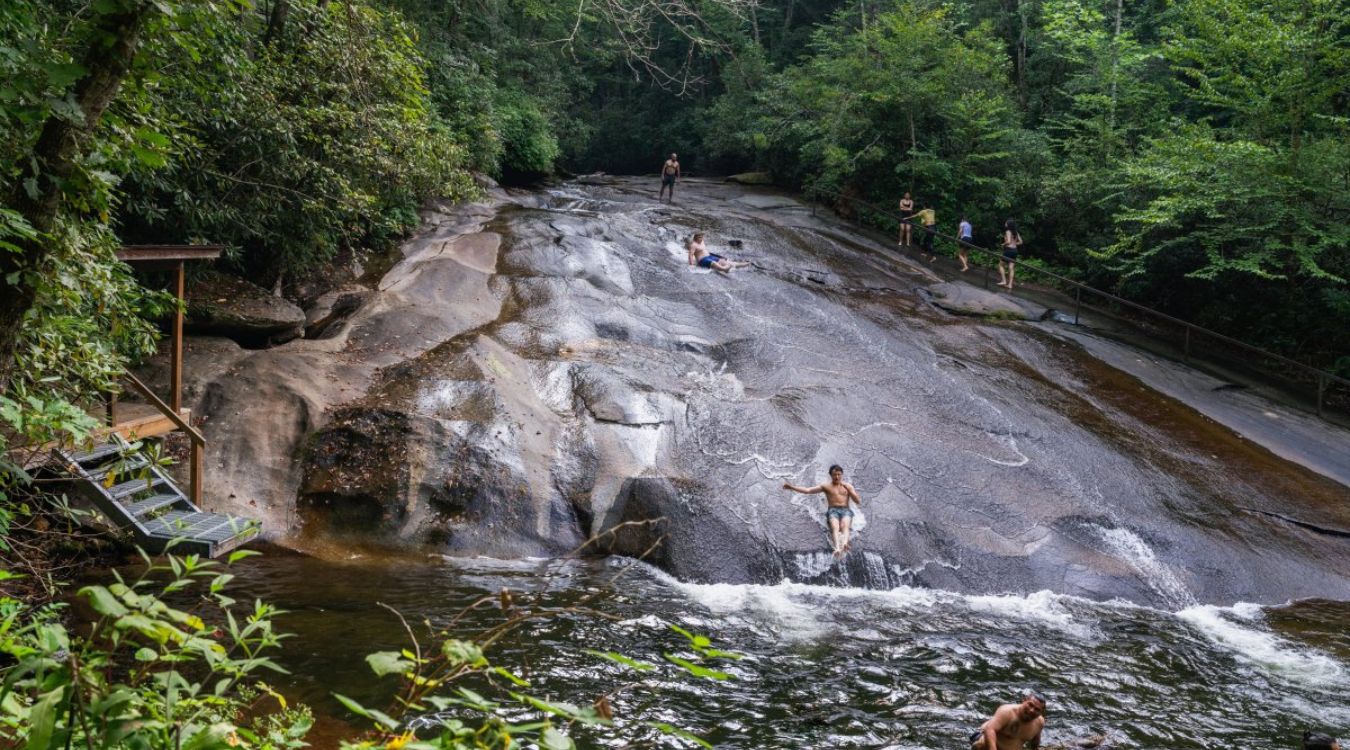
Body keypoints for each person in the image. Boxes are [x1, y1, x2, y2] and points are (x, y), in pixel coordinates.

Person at [782, 465, 862, 558]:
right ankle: (837, 548)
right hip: (833, 510)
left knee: (845, 525)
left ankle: (844, 544)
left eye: (839, 474)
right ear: (830, 475)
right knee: (835, 526)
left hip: (845, 510)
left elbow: (857, 501)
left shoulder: (848, 486)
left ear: (842, 475)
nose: (837, 477)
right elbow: (808, 490)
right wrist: (791, 487)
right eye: (834, 475)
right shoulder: (826, 486)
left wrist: (849, 491)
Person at [970, 691, 1046, 750]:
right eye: (1030, 705)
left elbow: (1035, 742)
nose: (1032, 710)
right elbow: (990, 729)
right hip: (985, 743)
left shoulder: (1039, 722)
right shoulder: (1007, 711)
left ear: (1041, 712)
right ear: (1024, 700)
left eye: (1037, 709)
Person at [999, 219, 1022, 289]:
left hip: (1008, 250)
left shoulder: (1008, 231)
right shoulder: (1016, 232)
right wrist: (1014, 244)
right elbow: (1021, 242)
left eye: (1006, 222)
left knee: (1001, 265)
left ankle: (1004, 281)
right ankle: (1010, 285)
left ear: (1008, 224)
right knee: (1011, 268)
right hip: (1015, 251)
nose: (1005, 223)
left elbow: (1008, 241)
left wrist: (1003, 244)